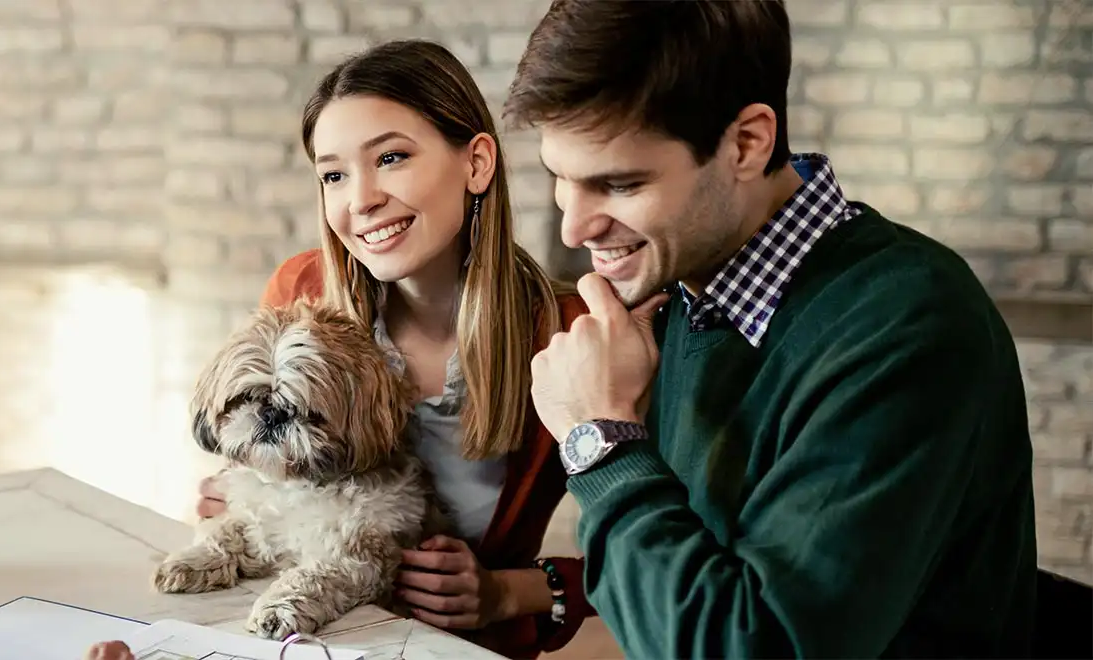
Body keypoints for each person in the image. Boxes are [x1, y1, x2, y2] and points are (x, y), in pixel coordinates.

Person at [508, 1, 1038, 658]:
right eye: (559, 177)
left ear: (747, 142)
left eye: (618, 184)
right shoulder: (679, 290)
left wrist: (602, 442)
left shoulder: (910, 327)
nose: (573, 227)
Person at [192, 40, 596, 658]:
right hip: (307, 638)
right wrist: (245, 490)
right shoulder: (303, 289)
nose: (361, 200)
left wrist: (512, 593)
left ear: (477, 163)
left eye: (390, 157)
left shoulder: (570, 334)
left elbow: (667, 550)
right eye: (334, 174)